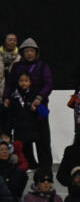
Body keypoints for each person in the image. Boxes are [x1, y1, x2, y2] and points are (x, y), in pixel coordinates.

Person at [5, 40, 52, 170]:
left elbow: (48, 84)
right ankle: (29, 164)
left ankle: (45, 167)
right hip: (22, 106)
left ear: (36, 52)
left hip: (40, 105)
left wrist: (39, 97)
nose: (29, 53)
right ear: (22, 53)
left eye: (32, 51)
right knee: (24, 138)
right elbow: (10, 84)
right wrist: (6, 97)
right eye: (26, 51)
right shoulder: (17, 66)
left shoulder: (43, 66)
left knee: (43, 139)